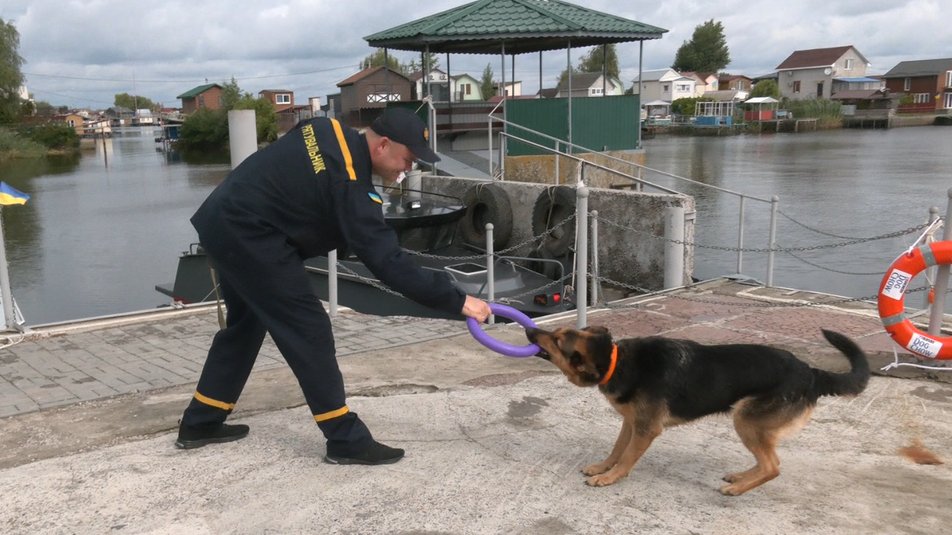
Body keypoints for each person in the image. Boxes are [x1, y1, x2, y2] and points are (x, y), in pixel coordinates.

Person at [175, 107, 492, 465]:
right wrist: (456, 300)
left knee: (246, 325)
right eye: (408, 159)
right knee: (308, 328)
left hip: (223, 220)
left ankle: (201, 420)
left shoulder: (326, 128)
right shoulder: (349, 184)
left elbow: (301, 165)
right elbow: (388, 262)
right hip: (251, 236)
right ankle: (345, 439)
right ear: (383, 145)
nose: (409, 169)